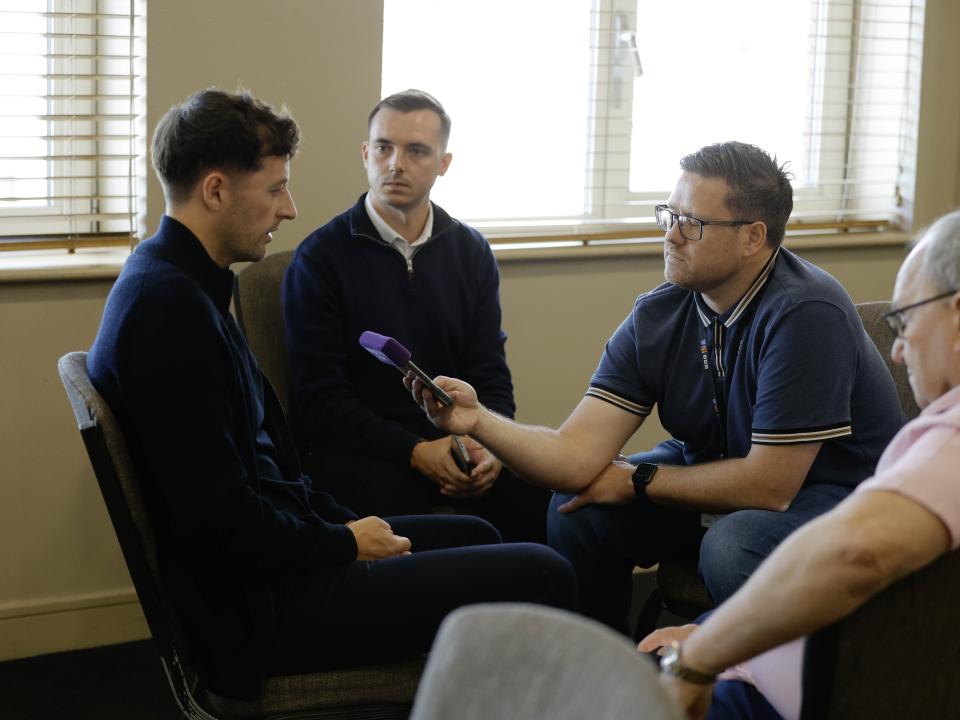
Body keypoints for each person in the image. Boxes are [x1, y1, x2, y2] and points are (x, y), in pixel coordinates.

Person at [86, 88, 577, 701]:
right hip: (268, 607)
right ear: (215, 191)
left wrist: (339, 524)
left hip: (284, 559)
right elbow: (220, 526)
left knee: (482, 532)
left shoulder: (178, 284)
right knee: (544, 571)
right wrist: (344, 541)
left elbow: (255, 481)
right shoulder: (171, 315)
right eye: (274, 190)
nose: (289, 209)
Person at [405, 141, 903, 632]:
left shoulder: (806, 311)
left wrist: (638, 481)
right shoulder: (660, 313)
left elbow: (769, 486)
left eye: (693, 223)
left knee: (733, 544)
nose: (671, 235)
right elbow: (574, 455)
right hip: (718, 481)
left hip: (834, 495)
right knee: (575, 508)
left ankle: (738, 686)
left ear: (753, 237)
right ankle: (602, 679)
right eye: (670, 214)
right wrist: (477, 421)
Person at [635, 210, 960, 719]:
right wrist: (710, 629)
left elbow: (854, 552)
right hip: (763, 662)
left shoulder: (953, 440)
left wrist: (698, 657)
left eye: (906, 320)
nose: (897, 350)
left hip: (787, 695)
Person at [283, 89, 548, 542]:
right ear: (366, 154)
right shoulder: (320, 258)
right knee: (429, 528)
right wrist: (416, 451)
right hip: (362, 452)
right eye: (384, 147)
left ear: (444, 163)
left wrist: (491, 445)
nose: (395, 164)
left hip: (459, 436)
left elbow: (490, 375)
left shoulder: (471, 252)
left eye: (416, 151)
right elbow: (318, 401)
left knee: (547, 494)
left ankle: (528, 611)